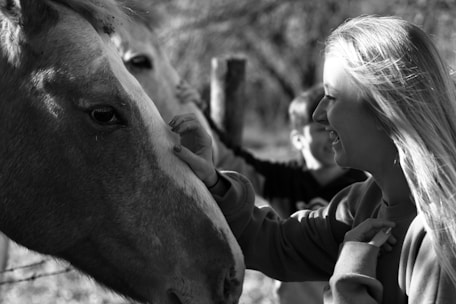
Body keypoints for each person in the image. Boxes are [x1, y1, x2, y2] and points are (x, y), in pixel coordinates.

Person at [169, 15, 456, 304]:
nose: (319, 114)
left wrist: (349, 276)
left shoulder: (442, 240)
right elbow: (275, 243)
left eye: (331, 96)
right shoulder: (361, 204)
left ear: (384, 109)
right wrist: (211, 184)